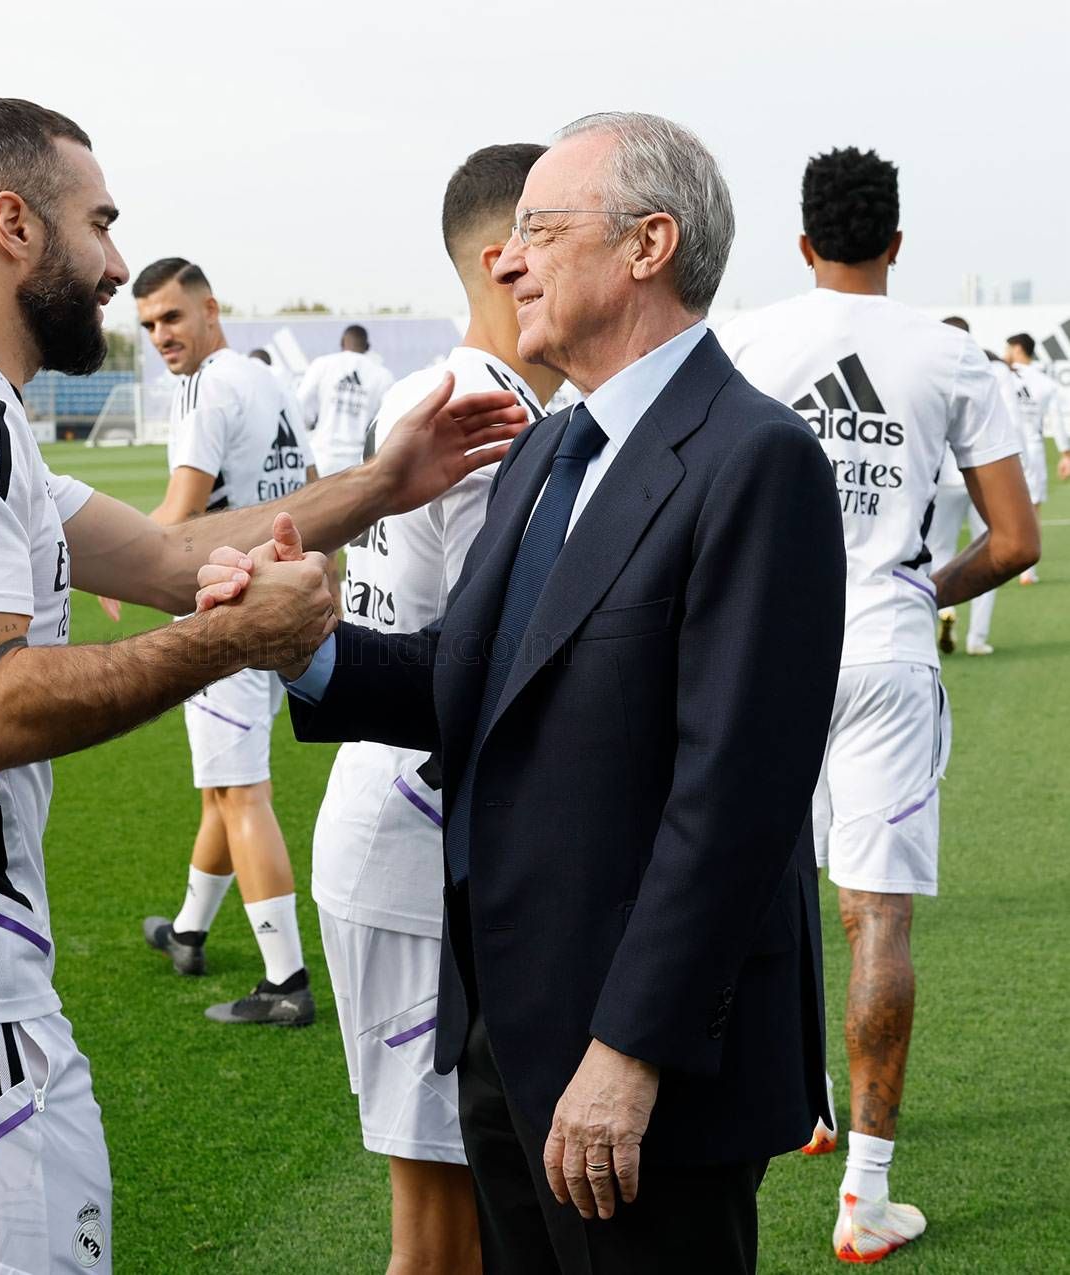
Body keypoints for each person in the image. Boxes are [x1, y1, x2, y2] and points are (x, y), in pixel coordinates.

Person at [0, 94, 526, 1275]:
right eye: (96, 223)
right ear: (13, 223)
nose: (112, 262)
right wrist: (233, 643)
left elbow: (168, 558)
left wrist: (382, 483)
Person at [200, 111, 846, 1274]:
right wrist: (305, 644)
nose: (506, 260)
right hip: (503, 1033)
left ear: (648, 246)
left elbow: (737, 801)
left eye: (540, 230)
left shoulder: (756, 459)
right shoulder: (547, 448)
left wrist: (631, 1051)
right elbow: (471, 680)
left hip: (639, 1064)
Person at [721, 146, 1038, 1263]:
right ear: (898, 243)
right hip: (886, 659)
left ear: (802, 243)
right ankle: (865, 1195)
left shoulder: (749, 339)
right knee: (879, 919)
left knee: (760, 892)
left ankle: (793, 1108)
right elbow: (1016, 540)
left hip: (764, 654)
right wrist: (920, 587)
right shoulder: (951, 359)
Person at [311, 141, 562, 1274]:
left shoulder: (491, 397)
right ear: (513, 259)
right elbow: (480, 661)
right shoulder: (481, 406)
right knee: (442, 1232)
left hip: (433, 835)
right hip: (415, 843)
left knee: (486, 1208)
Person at [133, 257, 319, 1027]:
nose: (159, 337)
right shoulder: (266, 377)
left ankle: (287, 981)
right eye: (146, 326)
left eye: (171, 318)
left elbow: (181, 505)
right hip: (275, 605)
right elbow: (310, 481)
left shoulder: (207, 385)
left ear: (210, 309)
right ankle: (188, 931)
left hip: (226, 610)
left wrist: (122, 557)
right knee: (224, 781)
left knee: (242, 792)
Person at [927, 319, 1025, 656]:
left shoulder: (929, 365)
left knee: (937, 550)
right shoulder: (993, 369)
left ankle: (934, 612)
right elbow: (1012, 422)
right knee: (993, 547)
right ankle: (977, 638)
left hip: (943, 475)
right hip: (986, 472)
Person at [1003, 332, 1066, 580]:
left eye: (1008, 348)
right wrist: (1065, 453)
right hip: (1033, 447)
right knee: (1032, 508)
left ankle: (1000, 563)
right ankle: (1027, 570)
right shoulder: (1045, 382)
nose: (1006, 352)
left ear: (1018, 348)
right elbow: (1057, 422)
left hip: (1005, 447)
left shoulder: (1000, 376)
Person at [296, 323, 395, 475]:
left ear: (342, 342)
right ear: (367, 346)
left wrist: (310, 423)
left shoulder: (322, 364)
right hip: (358, 462)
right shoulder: (382, 375)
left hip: (321, 457)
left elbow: (301, 404)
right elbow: (388, 420)